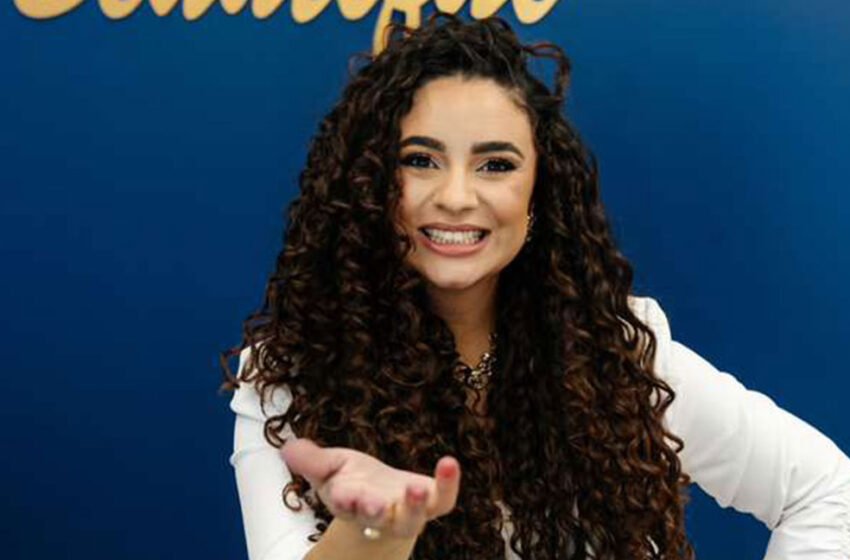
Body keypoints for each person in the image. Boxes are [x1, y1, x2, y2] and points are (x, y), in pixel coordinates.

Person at [219, 12, 850, 560]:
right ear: (368, 185)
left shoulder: (615, 350)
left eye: (496, 164)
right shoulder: (285, 381)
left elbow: (826, 491)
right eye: (420, 160)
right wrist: (372, 532)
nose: (456, 196)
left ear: (538, 194)